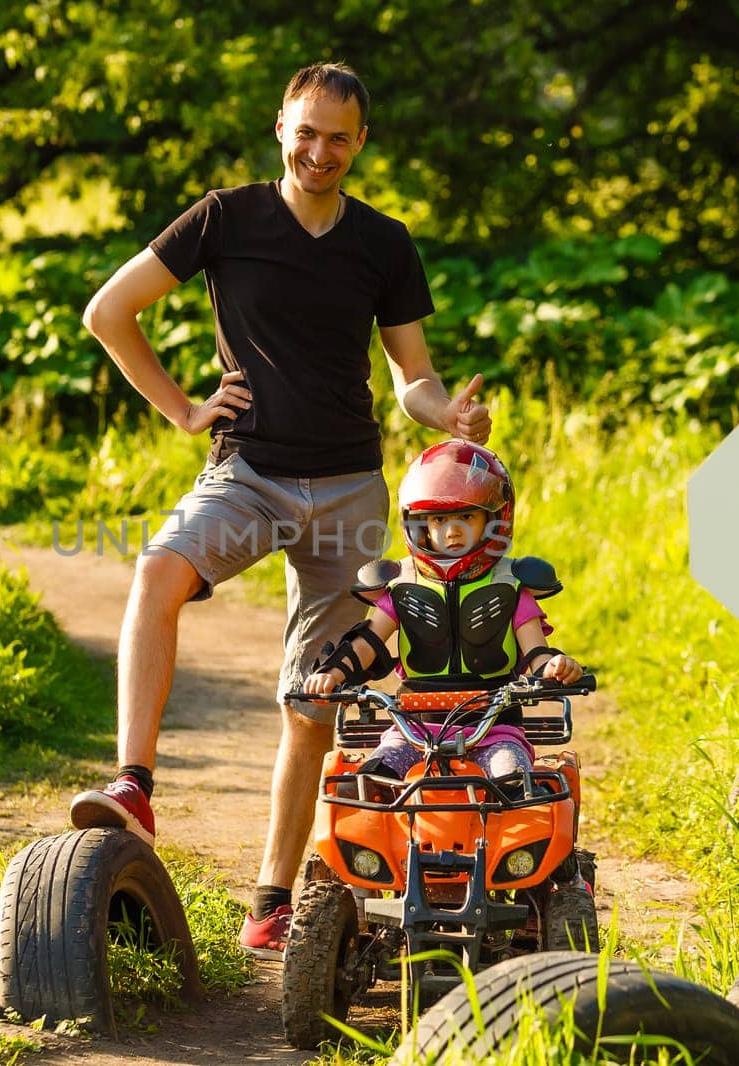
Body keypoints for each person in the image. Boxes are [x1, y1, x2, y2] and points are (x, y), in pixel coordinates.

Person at [72, 61, 490, 960]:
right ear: (281, 128)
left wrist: (445, 412)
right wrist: (184, 408)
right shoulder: (227, 217)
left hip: (347, 486)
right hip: (249, 472)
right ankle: (134, 782)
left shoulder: (385, 242)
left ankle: (272, 900)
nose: (320, 150)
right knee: (157, 568)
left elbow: (412, 375)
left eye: (339, 136)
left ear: (360, 144)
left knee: (314, 704)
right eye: (307, 131)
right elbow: (109, 312)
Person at [301, 440, 583, 787]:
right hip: (412, 727)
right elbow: (369, 639)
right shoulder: (399, 583)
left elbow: (537, 652)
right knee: (368, 782)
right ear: (418, 524)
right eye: (439, 518)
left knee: (515, 781)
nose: (452, 530)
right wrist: (332, 672)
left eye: (466, 516)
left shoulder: (513, 585)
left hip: (495, 728)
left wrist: (554, 666)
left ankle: (519, 842)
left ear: (495, 518)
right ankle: (367, 844)